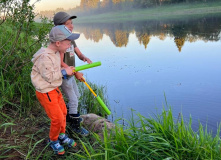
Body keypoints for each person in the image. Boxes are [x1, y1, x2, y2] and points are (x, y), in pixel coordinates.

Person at [31, 25, 80, 155]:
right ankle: (53, 140)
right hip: (46, 91)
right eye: (68, 42)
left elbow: (57, 67)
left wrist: (69, 70)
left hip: (53, 88)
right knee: (57, 118)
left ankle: (61, 135)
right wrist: (65, 72)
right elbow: (49, 76)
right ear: (58, 43)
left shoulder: (56, 53)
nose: (70, 45)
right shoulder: (45, 57)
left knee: (63, 112)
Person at [53, 11, 92, 136]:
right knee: (74, 99)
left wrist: (84, 57)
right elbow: (59, 62)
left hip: (71, 74)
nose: (71, 26)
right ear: (59, 27)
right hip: (65, 76)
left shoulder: (71, 39)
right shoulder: (60, 41)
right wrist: (75, 72)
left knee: (77, 95)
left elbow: (78, 52)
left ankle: (69, 116)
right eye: (67, 24)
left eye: (71, 23)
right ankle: (75, 126)